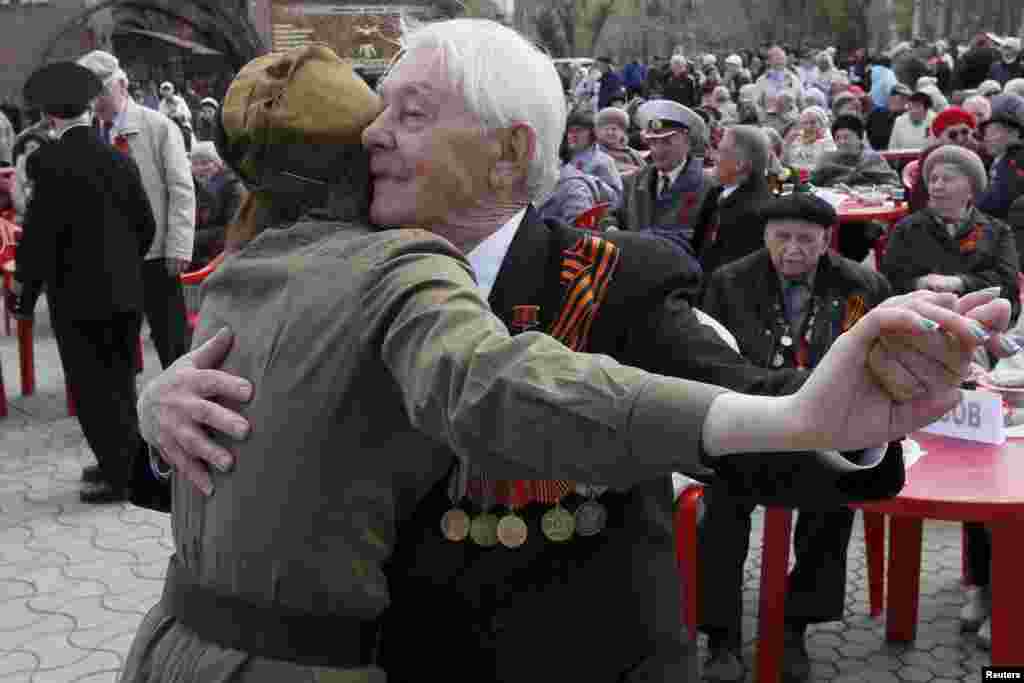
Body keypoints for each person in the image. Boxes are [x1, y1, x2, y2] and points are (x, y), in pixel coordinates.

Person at [127, 23, 1018, 683]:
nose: (372, 133)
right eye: (378, 109)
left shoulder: (614, 281)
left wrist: (851, 422)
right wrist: (155, 404)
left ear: (511, 153)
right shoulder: (326, 264)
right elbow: (197, 470)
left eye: (412, 113)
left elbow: (746, 410)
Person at [699, 193, 894, 682]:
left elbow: (883, 356)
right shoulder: (728, 282)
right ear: (765, 237)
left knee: (833, 507)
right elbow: (708, 358)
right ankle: (721, 634)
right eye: (781, 237)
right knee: (719, 513)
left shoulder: (862, 285)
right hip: (748, 419)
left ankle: (794, 625)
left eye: (806, 240)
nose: (792, 250)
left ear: (827, 240)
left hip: (827, 426)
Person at [9, 62, 156, 504]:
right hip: (126, 294)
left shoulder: (47, 163)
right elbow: (145, 224)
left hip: (77, 300)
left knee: (92, 391)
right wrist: (125, 266)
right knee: (122, 384)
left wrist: (24, 296)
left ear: (51, 117)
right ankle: (127, 462)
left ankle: (120, 476)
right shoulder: (117, 157)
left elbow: (38, 239)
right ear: (90, 108)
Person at [78, 50, 196, 371]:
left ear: (122, 86)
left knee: (172, 342)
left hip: (157, 254)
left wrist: (179, 245)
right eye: (91, 94)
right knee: (117, 347)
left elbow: (181, 189)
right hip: (111, 256)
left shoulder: (158, 126)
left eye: (102, 92)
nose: (97, 101)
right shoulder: (88, 133)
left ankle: (188, 406)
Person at [882, 144, 1020, 325]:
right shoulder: (907, 229)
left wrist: (960, 283)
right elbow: (889, 281)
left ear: (971, 189)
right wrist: (918, 284)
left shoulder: (998, 232)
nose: (937, 186)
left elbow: (1008, 284)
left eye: (947, 179)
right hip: (922, 323)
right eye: (932, 179)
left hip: (981, 322)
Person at [609, 99, 709, 257]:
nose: (657, 150)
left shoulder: (708, 186)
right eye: (653, 141)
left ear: (687, 142)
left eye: (667, 142)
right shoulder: (633, 181)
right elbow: (612, 215)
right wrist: (611, 228)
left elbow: (702, 238)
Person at [691, 124, 773, 276]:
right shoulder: (719, 192)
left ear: (739, 164)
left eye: (720, 151)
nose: (713, 157)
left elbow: (729, 278)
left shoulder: (752, 213)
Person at [908, 106, 985, 212]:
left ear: (972, 132)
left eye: (964, 132)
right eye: (953, 135)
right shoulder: (931, 156)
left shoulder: (981, 151)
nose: (960, 138)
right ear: (940, 138)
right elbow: (919, 196)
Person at [190, 141, 243, 268]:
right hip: (198, 253)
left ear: (219, 164)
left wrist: (192, 238)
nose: (199, 168)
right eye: (195, 164)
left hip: (221, 258)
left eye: (205, 163)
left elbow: (232, 230)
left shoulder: (233, 188)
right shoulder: (193, 187)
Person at [813, 114, 900, 187]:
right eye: (837, 138)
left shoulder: (873, 159)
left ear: (859, 138)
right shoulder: (827, 159)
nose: (842, 142)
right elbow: (812, 184)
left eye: (847, 137)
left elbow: (893, 184)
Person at [976, 94, 1024, 221]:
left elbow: (999, 198)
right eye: (985, 134)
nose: (986, 139)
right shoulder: (998, 159)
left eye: (991, 132)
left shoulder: (1016, 160)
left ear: (1013, 133)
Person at [565, 110, 622, 205]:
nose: (573, 135)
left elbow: (617, 198)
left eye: (578, 130)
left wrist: (590, 182)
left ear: (592, 133)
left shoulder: (603, 161)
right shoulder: (562, 159)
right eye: (570, 131)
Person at [752, 46, 802, 123]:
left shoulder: (794, 79)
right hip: (770, 123)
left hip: (791, 123)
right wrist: (763, 120)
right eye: (776, 59)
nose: (780, 62)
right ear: (769, 61)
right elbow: (756, 104)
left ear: (785, 60)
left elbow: (801, 103)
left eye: (782, 59)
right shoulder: (761, 81)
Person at [595, 106, 645, 176]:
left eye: (614, 129)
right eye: (606, 129)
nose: (610, 132)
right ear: (598, 131)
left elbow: (646, 173)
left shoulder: (632, 153)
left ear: (623, 132)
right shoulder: (595, 153)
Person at [783, 106, 836, 172]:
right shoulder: (795, 138)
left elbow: (824, 168)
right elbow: (784, 164)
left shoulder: (829, 142)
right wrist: (786, 144)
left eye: (813, 123)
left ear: (822, 124)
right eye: (805, 123)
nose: (808, 127)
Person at [867, 82, 911, 151]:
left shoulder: (907, 117)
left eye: (907, 99)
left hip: (896, 155)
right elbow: (866, 136)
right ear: (891, 97)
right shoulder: (876, 114)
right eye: (902, 98)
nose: (905, 101)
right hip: (876, 156)